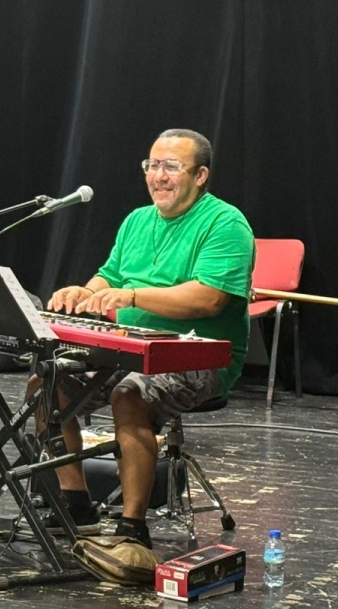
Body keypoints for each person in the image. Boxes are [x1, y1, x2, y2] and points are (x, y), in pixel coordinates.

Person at [36, 128, 254, 548]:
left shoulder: (226, 223)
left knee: (129, 394)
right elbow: (110, 276)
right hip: (127, 348)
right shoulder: (137, 220)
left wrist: (132, 295)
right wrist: (86, 291)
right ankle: (77, 506)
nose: (158, 176)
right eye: (152, 166)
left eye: (171, 166)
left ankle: (132, 527)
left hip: (199, 359)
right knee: (46, 385)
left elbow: (208, 298)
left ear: (201, 176)